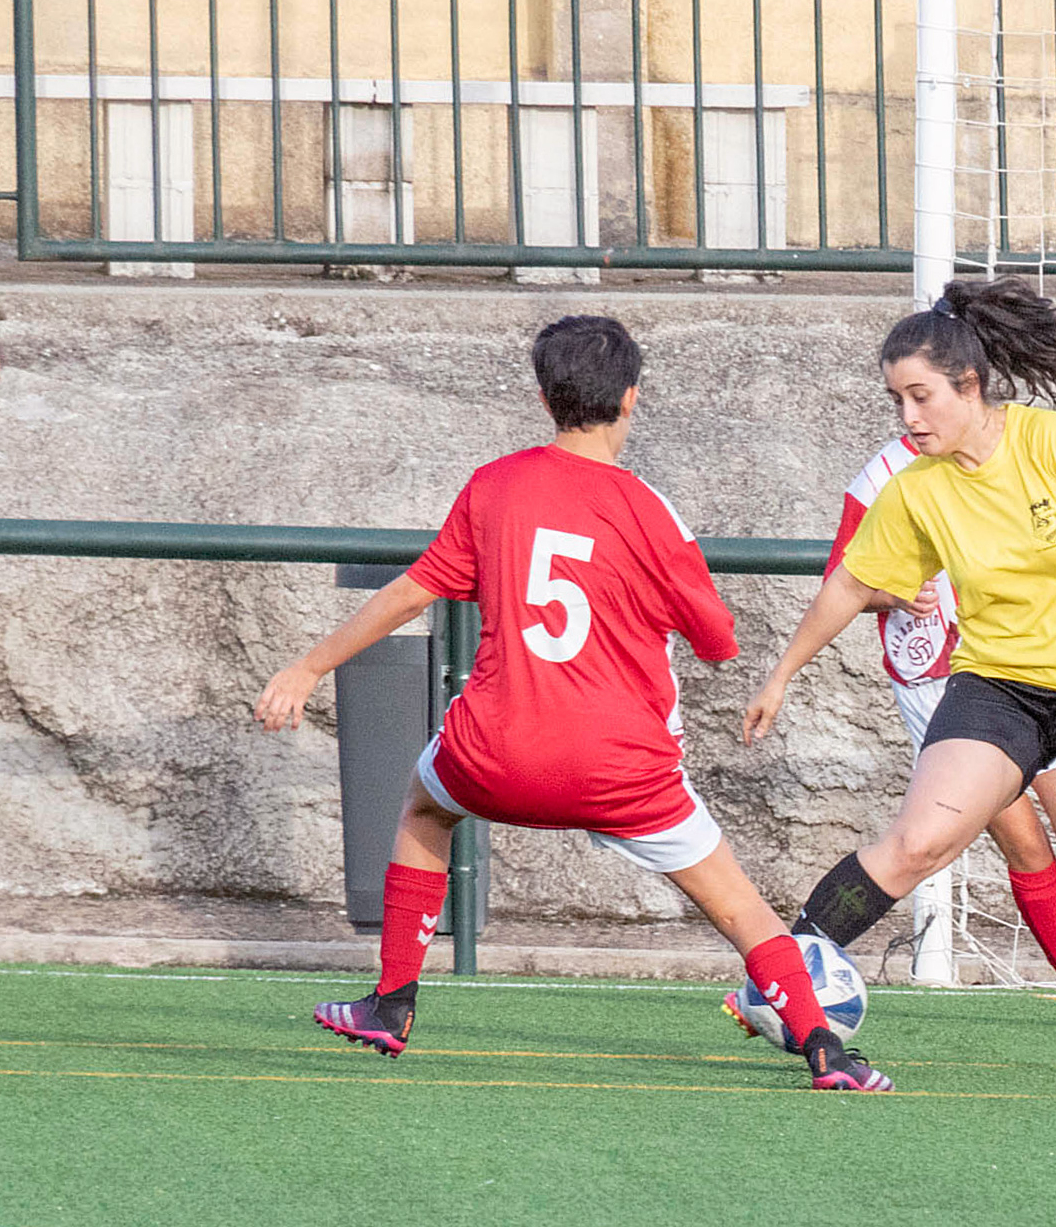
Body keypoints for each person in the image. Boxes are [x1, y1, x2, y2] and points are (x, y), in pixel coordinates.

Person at [256, 315, 892, 1092]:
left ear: (541, 396)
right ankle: (827, 1051)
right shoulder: (649, 510)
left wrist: (307, 667)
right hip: (623, 771)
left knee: (425, 806)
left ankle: (392, 1004)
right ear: (632, 399)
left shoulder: (495, 485)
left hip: (496, 753)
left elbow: (409, 593)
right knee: (742, 910)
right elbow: (718, 639)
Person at [743, 278, 1056, 1086]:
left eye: (921, 397)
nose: (909, 417)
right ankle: (775, 982)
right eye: (896, 401)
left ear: (969, 387)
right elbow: (847, 583)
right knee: (918, 843)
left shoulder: (1053, 444)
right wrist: (781, 676)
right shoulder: (917, 489)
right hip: (999, 687)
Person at [824, 436, 1056, 1030]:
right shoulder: (883, 476)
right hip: (939, 681)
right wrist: (894, 591)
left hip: (1030, 666)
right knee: (1022, 840)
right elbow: (844, 580)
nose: (920, 413)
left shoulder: (1022, 451)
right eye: (909, 397)